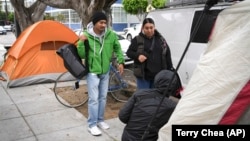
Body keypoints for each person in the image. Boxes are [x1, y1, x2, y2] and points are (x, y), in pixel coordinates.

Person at [77, 11, 125, 136]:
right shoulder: (87, 35)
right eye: (101, 22)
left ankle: (100, 120)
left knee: (103, 98)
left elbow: (117, 48)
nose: (103, 25)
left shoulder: (110, 35)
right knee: (94, 99)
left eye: (105, 22)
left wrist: (121, 61)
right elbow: (81, 54)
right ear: (94, 23)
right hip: (93, 71)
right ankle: (92, 125)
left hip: (105, 70)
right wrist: (81, 42)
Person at [118, 70, 181, 141]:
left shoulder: (140, 94)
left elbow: (123, 116)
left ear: (156, 80)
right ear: (173, 86)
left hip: (127, 137)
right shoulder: (172, 106)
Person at [126, 18, 174, 89]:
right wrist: (138, 56)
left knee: (155, 98)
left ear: (154, 27)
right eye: (147, 28)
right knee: (144, 98)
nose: (149, 30)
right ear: (143, 28)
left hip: (158, 77)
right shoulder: (137, 39)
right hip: (143, 77)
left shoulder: (161, 40)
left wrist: (170, 71)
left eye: (151, 28)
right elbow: (129, 52)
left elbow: (167, 54)